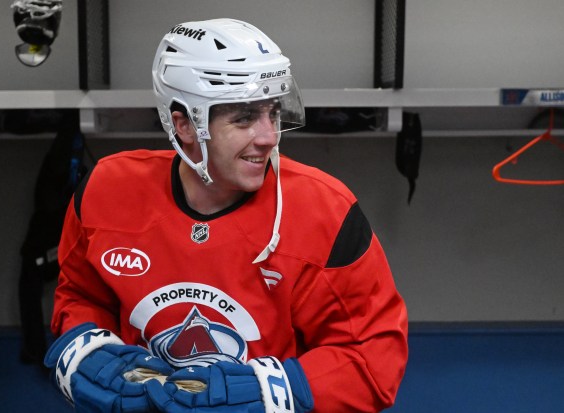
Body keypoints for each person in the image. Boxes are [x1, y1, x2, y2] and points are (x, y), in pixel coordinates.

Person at [44, 18, 408, 413]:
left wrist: (279, 390)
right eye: (244, 118)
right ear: (184, 124)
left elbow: (371, 357)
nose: (269, 136)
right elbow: (80, 295)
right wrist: (87, 350)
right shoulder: (107, 191)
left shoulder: (326, 212)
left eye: (273, 112)